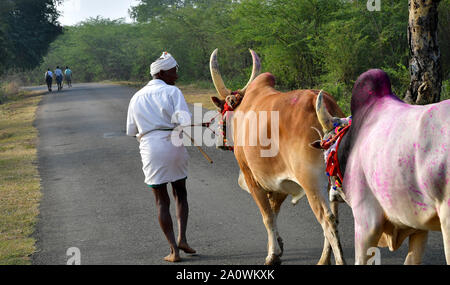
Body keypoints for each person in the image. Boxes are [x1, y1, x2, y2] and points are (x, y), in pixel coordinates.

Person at [126, 52, 196, 263]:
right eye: (174, 72)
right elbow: (184, 120)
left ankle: (174, 250)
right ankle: (182, 238)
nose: (176, 76)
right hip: (174, 143)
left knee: (161, 201)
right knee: (180, 193)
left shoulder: (136, 96)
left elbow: (131, 130)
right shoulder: (172, 92)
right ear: (162, 72)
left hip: (150, 147)